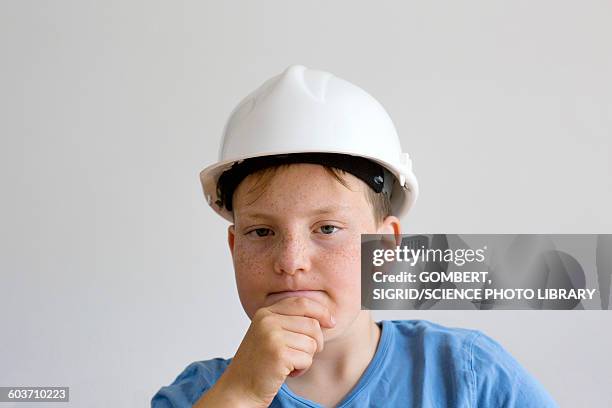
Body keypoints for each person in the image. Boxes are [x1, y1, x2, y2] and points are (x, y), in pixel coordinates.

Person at [151, 65, 558, 407]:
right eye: (261, 231)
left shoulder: (469, 376)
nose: (291, 260)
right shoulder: (200, 395)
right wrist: (239, 394)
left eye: (327, 228)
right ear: (235, 248)